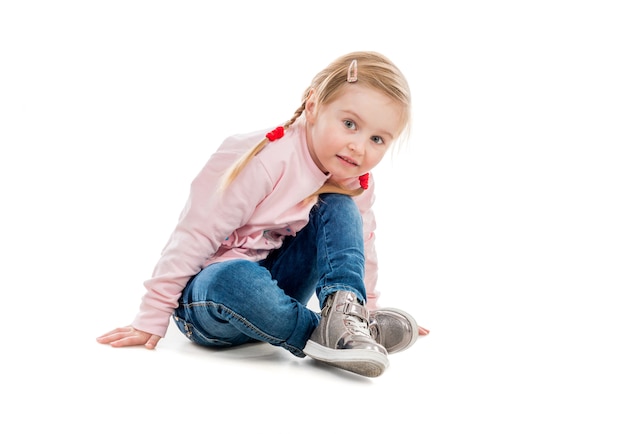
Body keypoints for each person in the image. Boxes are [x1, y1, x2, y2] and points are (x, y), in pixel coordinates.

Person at [97, 51, 429, 377]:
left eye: (377, 139)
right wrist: (152, 314)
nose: (359, 146)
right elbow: (195, 233)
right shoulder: (267, 159)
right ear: (313, 106)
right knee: (235, 276)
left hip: (275, 297)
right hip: (212, 300)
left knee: (341, 205)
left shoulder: (353, 179)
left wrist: (367, 308)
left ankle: (349, 322)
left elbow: (358, 248)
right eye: (349, 124)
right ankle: (324, 335)